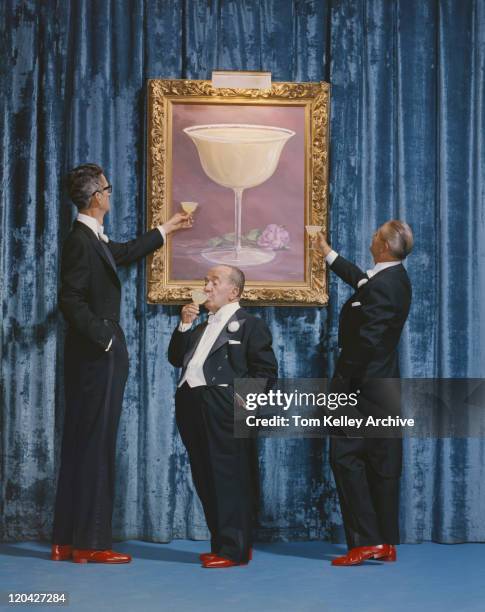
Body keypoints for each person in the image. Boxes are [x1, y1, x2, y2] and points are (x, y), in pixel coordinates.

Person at [52, 163, 192, 564]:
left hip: (91, 356)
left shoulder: (89, 237)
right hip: (98, 355)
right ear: (97, 197)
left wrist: (167, 228)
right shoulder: (81, 239)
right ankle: (91, 545)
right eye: (108, 190)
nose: (110, 195)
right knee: (95, 446)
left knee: (81, 443)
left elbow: (124, 252)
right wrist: (106, 337)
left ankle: (65, 540)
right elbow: (70, 300)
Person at [315, 220, 413, 566]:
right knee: (380, 461)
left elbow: (368, 341)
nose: (371, 238)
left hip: (361, 388)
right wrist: (328, 254)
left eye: (375, 236)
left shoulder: (388, 283)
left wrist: (340, 382)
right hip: (379, 387)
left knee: (345, 457)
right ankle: (384, 542)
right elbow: (361, 282)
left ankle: (365, 542)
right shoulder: (389, 278)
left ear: (384, 246)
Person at [168, 265, 277, 568]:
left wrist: (237, 407)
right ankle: (221, 546)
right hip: (191, 403)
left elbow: (266, 375)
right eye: (205, 280)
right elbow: (175, 358)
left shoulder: (250, 325)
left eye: (214, 281)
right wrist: (184, 324)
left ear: (234, 291)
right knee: (205, 476)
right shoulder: (200, 326)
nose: (206, 286)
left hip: (224, 405)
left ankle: (235, 550)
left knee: (229, 478)